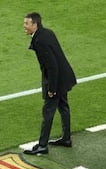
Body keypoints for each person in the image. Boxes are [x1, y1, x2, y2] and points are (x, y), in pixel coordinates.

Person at [23, 12, 77, 155]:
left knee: (48, 111)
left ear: (35, 25)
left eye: (27, 24)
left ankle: (42, 145)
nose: (24, 26)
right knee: (63, 107)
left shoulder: (40, 40)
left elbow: (52, 65)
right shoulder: (47, 33)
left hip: (56, 79)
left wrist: (52, 88)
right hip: (64, 75)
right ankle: (66, 139)